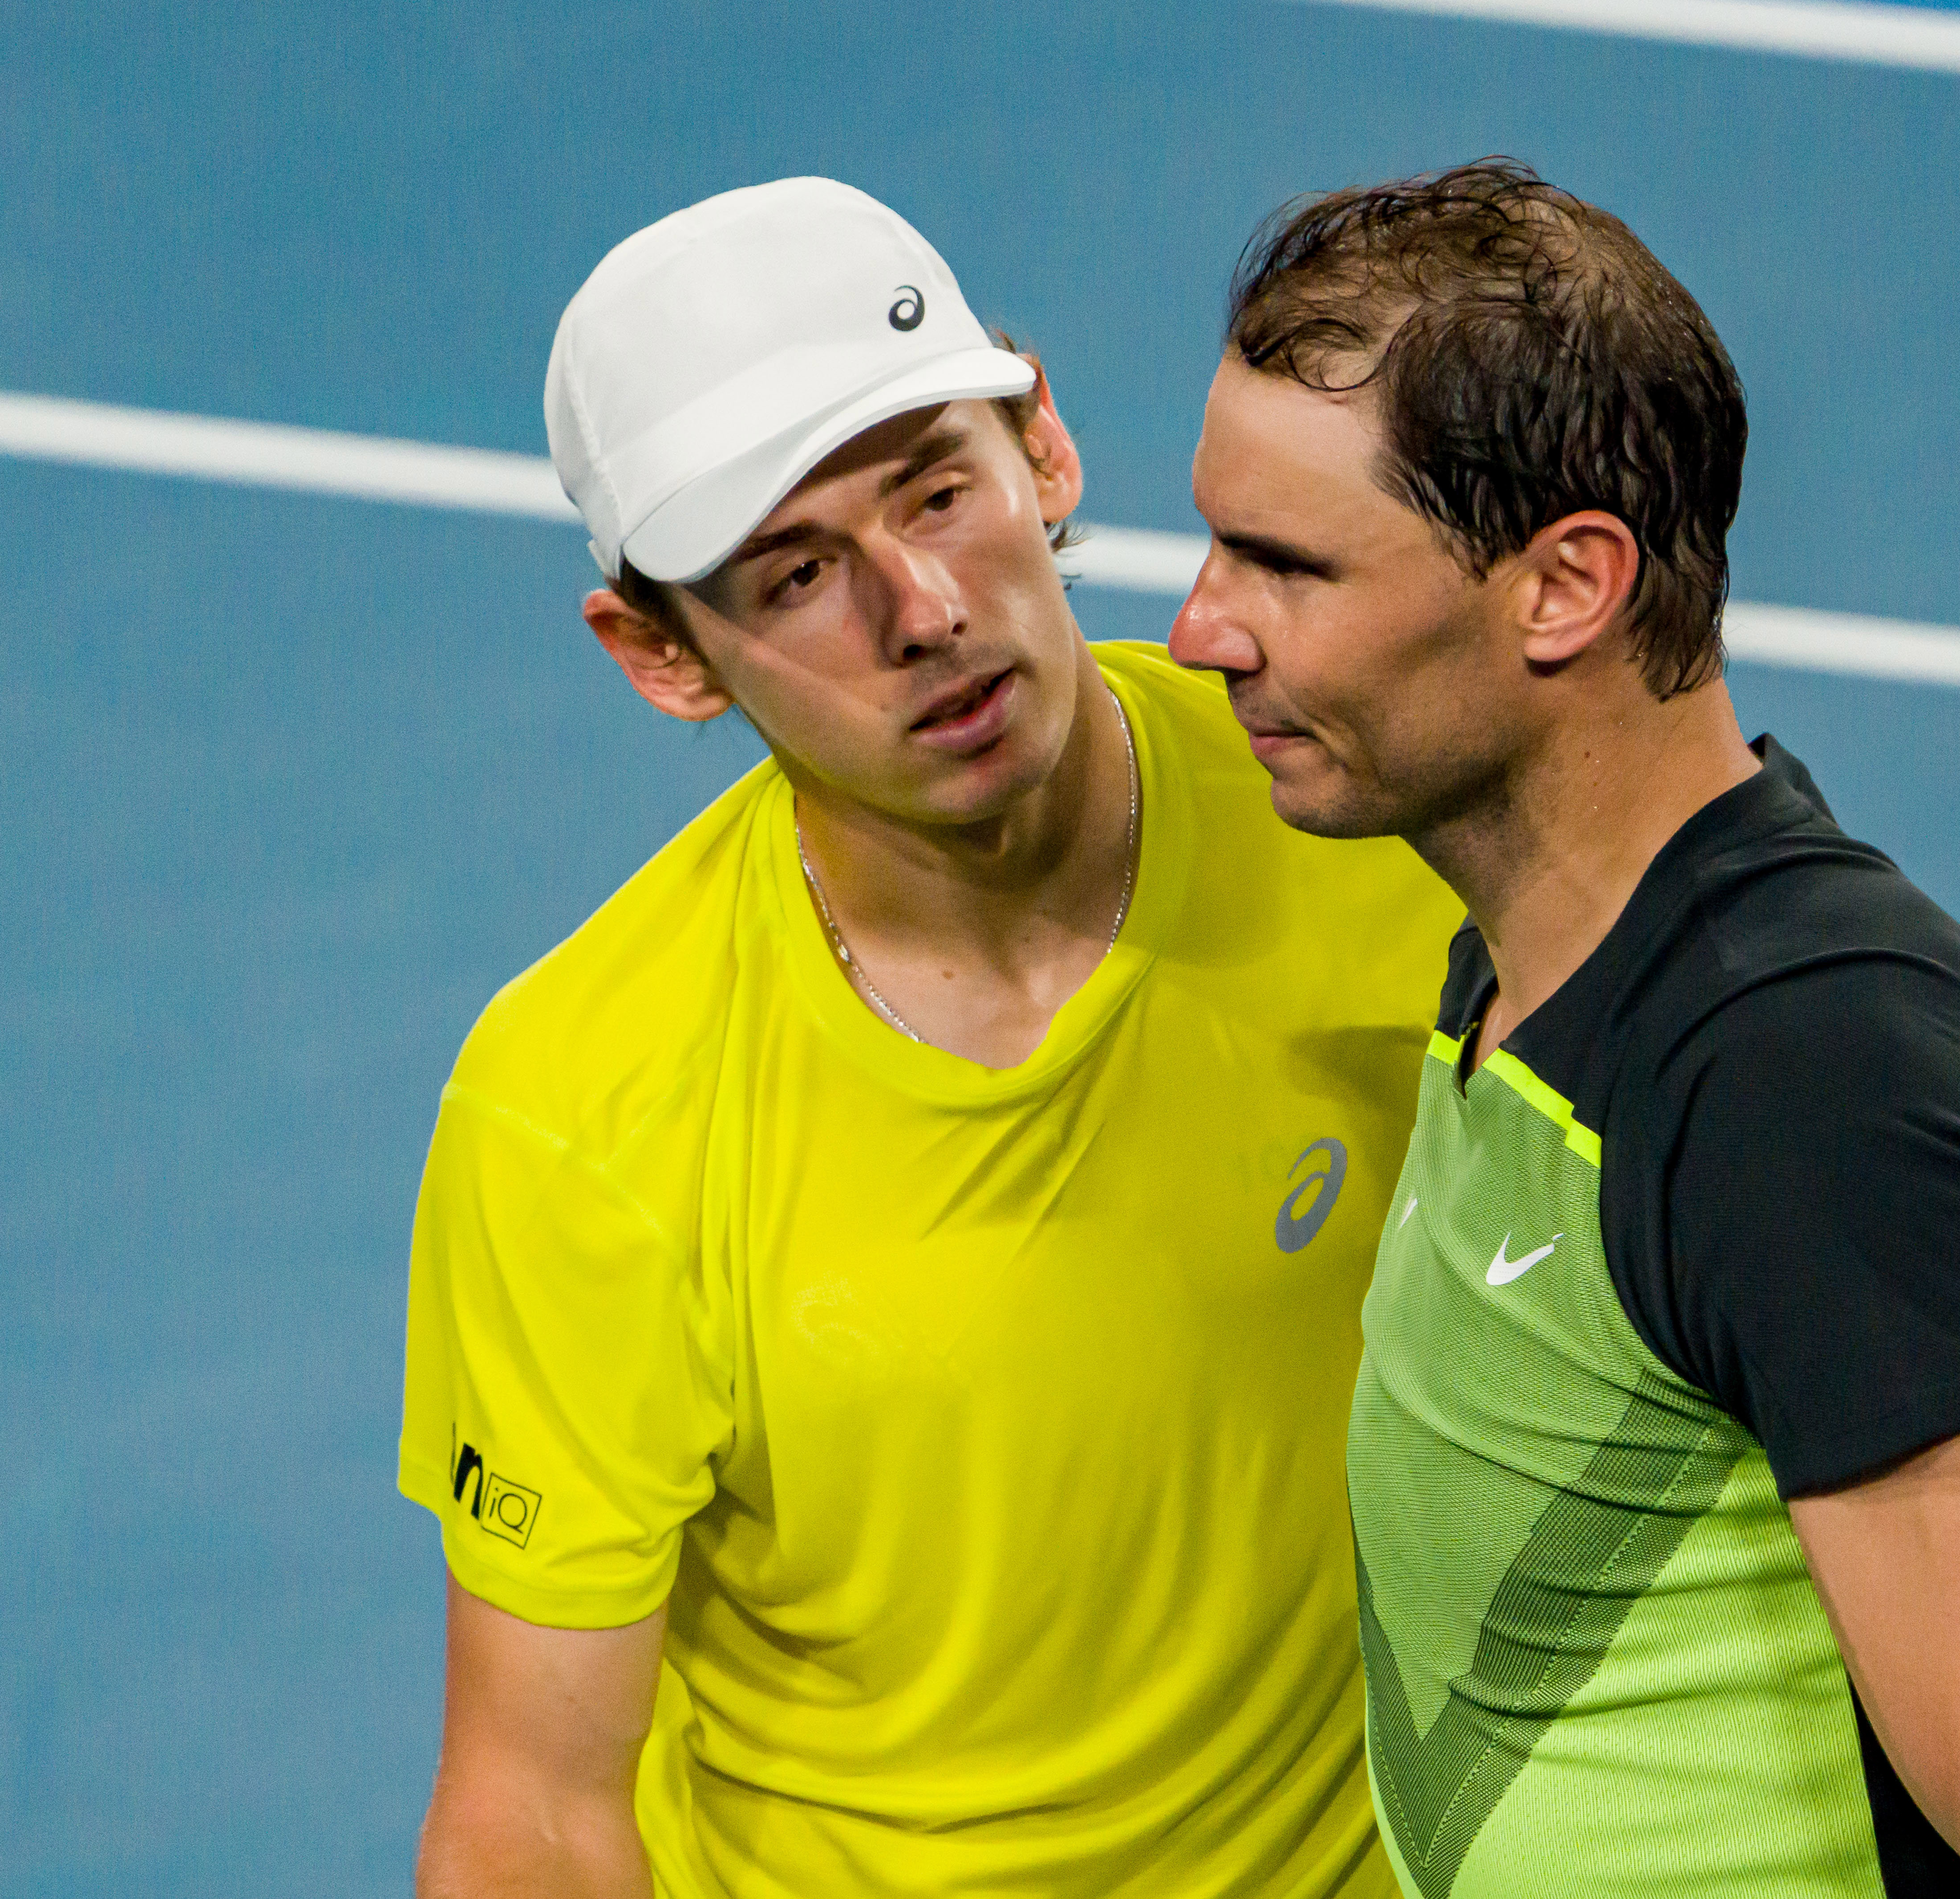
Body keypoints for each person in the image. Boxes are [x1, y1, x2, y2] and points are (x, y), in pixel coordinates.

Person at [397, 177, 1456, 1899]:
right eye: (798, 573)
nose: (924, 611)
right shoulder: (580, 1107)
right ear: (662, 655)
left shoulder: (1380, 824)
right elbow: (535, 1807)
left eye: (941, 493)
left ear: (1047, 449)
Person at [1169, 159, 1960, 1899]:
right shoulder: (1534, 973)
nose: (1202, 627)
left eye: (1287, 565)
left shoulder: (1811, 1093)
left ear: (1564, 587)